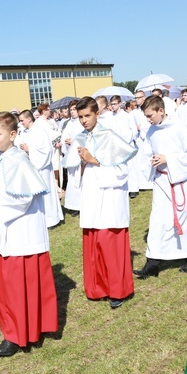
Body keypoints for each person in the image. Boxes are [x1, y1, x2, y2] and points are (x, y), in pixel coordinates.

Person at [0, 112, 58, 357]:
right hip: (3, 231)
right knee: (7, 287)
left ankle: (17, 335)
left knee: (17, 287)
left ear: (13, 134)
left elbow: (23, 199)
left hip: (18, 234)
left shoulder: (19, 160)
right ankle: (18, 330)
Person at [75, 97, 136, 308]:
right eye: (80, 116)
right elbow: (78, 170)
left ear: (97, 114)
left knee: (110, 243)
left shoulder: (109, 137)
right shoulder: (81, 137)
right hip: (92, 196)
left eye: (87, 116)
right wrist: (82, 165)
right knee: (95, 244)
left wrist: (94, 161)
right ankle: (98, 287)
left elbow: (121, 171)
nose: (83, 120)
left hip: (109, 198)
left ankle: (117, 290)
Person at [134, 95, 187, 278]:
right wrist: (153, 162)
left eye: (150, 115)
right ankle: (153, 262)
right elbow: (147, 153)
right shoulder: (151, 131)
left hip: (181, 181)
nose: (148, 120)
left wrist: (168, 159)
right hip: (162, 180)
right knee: (158, 220)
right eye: (146, 116)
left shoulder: (179, 127)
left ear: (161, 110)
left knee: (185, 219)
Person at [17, 110, 64, 229]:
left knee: (46, 195)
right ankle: (41, 218)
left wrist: (29, 149)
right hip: (33, 167)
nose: (21, 123)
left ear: (29, 119)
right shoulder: (26, 132)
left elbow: (46, 150)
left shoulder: (39, 131)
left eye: (22, 120)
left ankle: (51, 219)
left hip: (42, 168)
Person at [60, 99, 84, 215]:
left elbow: (85, 137)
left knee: (80, 179)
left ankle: (81, 204)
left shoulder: (82, 121)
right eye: (71, 110)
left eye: (75, 109)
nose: (73, 112)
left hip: (81, 154)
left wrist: (74, 141)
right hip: (71, 154)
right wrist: (65, 142)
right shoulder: (69, 123)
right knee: (72, 179)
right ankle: (74, 205)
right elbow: (64, 137)